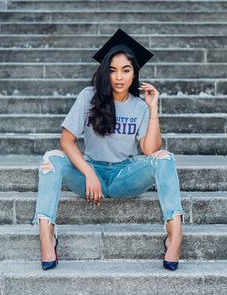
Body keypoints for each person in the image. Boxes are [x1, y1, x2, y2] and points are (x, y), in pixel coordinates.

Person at [32, 28, 184, 271]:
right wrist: (90, 173)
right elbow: (66, 140)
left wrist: (153, 108)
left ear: (134, 73)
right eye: (112, 70)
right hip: (91, 174)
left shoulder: (139, 106)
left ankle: (175, 235)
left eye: (126, 70)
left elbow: (150, 149)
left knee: (165, 158)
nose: (119, 77)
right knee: (51, 159)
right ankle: (46, 234)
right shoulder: (89, 96)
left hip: (126, 176)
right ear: (105, 72)